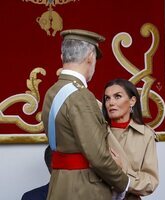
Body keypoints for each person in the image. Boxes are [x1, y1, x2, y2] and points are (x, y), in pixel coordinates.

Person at [42, 29, 130, 200]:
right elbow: (98, 157)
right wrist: (123, 183)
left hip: (59, 184)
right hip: (84, 189)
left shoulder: (52, 92)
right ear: (90, 56)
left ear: (62, 57)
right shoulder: (81, 96)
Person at [102, 78, 159, 200]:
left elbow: (150, 181)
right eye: (107, 98)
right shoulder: (98, 131)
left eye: (117, 96)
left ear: (132, 101)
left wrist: (122, 171)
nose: (111, 102)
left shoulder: (146, 134)